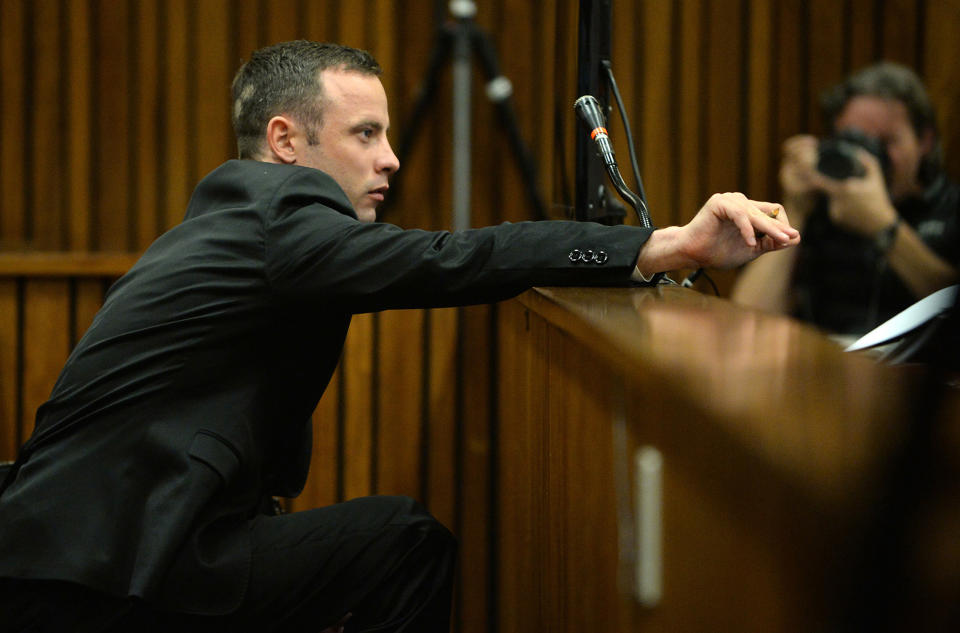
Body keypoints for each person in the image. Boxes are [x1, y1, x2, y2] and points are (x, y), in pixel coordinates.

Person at [0, 40, 798, 632]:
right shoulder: (280, 218)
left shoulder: (234, 218)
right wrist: (666, 245)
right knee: (403, 543)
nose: (392, 157)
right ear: (286, 142)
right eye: (365, 134)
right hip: (96, 574)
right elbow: (449, 257)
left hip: (82, 549)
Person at [731, 62, 960, 337]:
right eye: (855, 141)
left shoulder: (951, 207)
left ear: (925, 140)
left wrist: (883, 226)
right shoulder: (822, 205)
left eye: (886, 142)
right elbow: (746, 315)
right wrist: (794, 210)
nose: (869, 156)